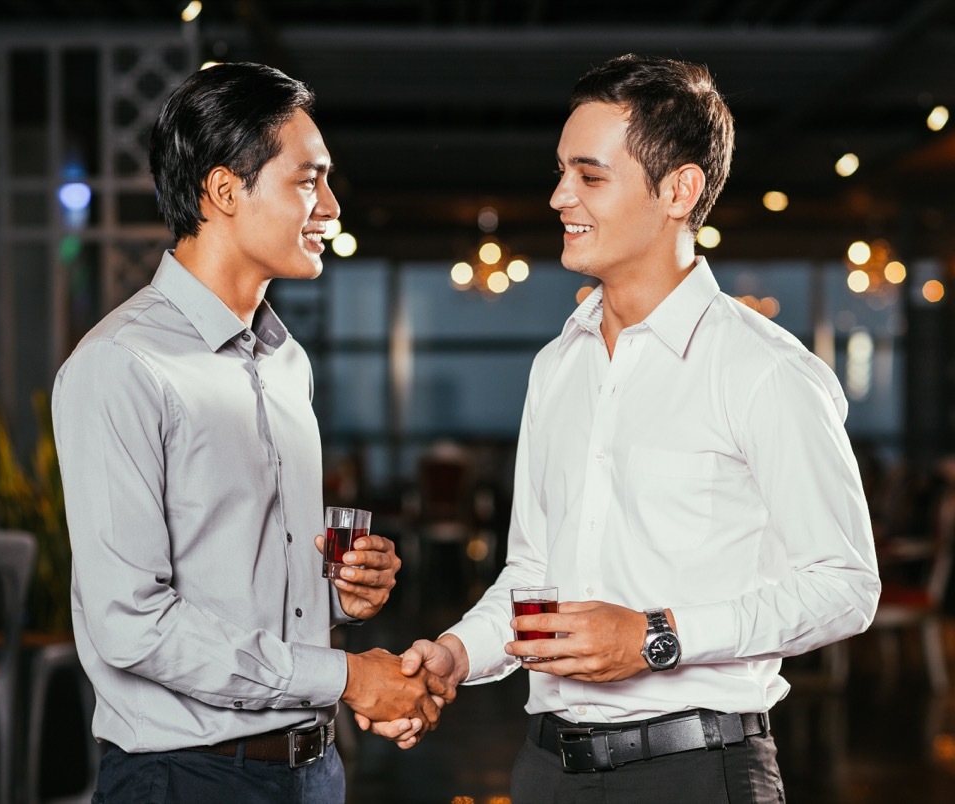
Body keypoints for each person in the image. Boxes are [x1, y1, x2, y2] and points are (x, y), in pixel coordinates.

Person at [365, 53, 881, 803]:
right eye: (560, 171)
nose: (558, 196)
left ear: (680, 189)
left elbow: (845, 587)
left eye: (589, 176)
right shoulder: (557, 366)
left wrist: (653, 636)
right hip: (546, 770)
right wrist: (453, 655)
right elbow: (532, 577)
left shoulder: (764, 369)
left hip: (698, 773)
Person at [52, 62, 451, 804]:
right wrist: (349, 675)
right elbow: (132, 626)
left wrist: (339, 591)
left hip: (314, 771)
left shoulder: (285, 360)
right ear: (225, 189)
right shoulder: (120, 366)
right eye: (309, 180)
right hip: (186, 779)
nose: (332, 208)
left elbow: (244, 581)